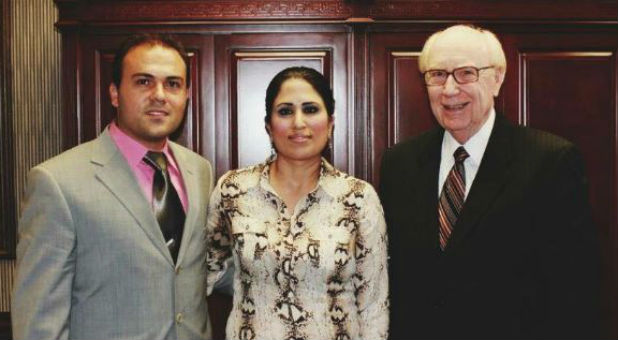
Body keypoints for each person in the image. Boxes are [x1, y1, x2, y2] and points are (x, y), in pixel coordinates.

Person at [380, 24, 601, 339]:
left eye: (466, 74)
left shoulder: (550, 161)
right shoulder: (399, 164)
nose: (450, 90)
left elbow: (575, 292)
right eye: (437, 75)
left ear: (497, 79)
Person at [12, 34, 214, 339]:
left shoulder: (199, 170)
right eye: (143, 82)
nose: (159, 95)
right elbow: (39, 321)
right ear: (115, 93)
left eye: (173, 84)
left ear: (186, 95)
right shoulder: (57, 182)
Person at [205, 66, 389, 339]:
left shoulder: (359, 198)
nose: (298, 123)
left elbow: (374, 304)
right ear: (269, 125)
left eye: (311, 109)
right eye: (285, 111)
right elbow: (208, 269)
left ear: (330, 122)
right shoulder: (233, 189)